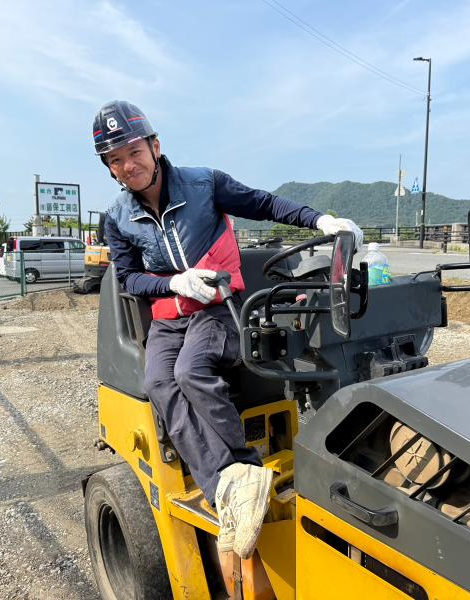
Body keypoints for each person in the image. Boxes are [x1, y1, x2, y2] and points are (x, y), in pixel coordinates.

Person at [95, 100, 363, 560]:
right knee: (158, 381)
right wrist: (173, 282)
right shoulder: (116, 217)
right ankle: (230, 483)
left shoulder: (204, 184)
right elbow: (128, 277)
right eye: (114, 160)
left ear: (155, 146)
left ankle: (243, 465)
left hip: (219, 309)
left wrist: (320, 220)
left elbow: (264, 203)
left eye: (133, 151)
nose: (127, 165)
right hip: (170, 313)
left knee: (191, 372)